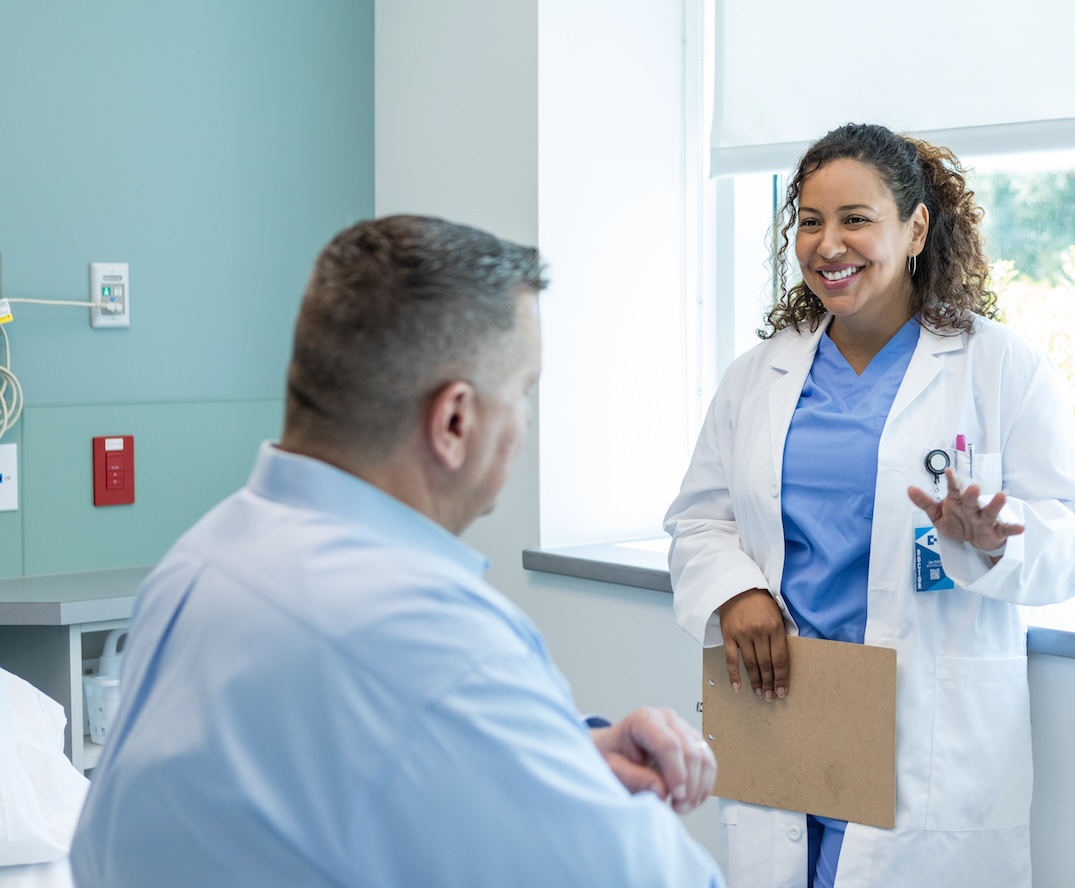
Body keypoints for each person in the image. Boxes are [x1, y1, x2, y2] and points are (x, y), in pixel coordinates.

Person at [71, 216, 723, 887]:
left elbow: (320, 775)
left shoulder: (201, 560)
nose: (526, 421)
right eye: (524, 392)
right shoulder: (434, 641)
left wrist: (563, 755)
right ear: (455, 421)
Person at [665, 124, 1075, 888]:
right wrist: (735, 591)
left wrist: (995, 537)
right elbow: (700, 519)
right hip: (788, 702)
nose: (828, 244)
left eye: (855, 219)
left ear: (915, 228)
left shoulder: (1000, 364)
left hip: (923, 724)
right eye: (809, 221)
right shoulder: (759, 375)